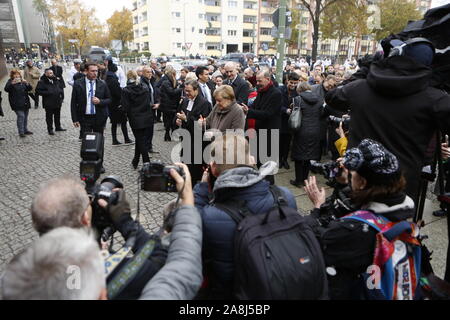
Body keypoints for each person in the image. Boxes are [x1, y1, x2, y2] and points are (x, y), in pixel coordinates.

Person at [2, 163, 203, 300]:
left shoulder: (18, 274)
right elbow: (168, 265)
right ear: (85, 219)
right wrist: (126, 222)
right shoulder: (113, 271)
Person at [325, 41, 450, 203]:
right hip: (399, 188)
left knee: (352, 222)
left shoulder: (359, 88)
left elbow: (332, 97)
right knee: (393, 228)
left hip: (358, 180)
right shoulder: (435, 99)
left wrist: (365, 70)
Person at [304, 139, 415, 300]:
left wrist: (318, 207)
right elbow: (357, 209)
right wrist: (343, 185)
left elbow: (312, 240)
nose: (347, 172)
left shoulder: (353, 230)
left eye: (351, 172)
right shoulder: (398, 207)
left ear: (362, 182)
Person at [194, 134, 298, 299]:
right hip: (283, 286)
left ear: (213, 168)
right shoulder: (285, 197)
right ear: (251, 160)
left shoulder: (211, 216)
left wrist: (201, 188)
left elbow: (190, 235)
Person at [71, 62, 111, 173]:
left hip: (99, 118)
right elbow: (73, 102)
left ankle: (99, 164)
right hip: (85, 118)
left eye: (96, 71)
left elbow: (109, 99)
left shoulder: (102, 84)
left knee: (99, 142)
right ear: (86, 71)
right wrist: (74, 119)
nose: (95, 73)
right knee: (87, 142)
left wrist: (100, 101)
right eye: (92, 71)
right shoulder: (78, 83)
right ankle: (88, 164)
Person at [242, 69, 282, 173]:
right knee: (260, 162)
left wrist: (249, 111)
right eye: (257, 81)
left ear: (268, 79)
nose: (257, 83)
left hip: (269, 134)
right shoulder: (261, 91)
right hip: (259, 132)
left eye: (260, 81)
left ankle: (269, 186)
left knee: (267, 165)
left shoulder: (276, 93)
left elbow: (268, 114)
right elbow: (255, 107)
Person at [175, 80, 212, 186]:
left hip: (198, 143)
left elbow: (204, 124)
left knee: (195, 171)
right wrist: (178, 121)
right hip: (186, 140)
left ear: (196, 90)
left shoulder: (204, 103)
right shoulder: (185, 101)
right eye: (185, 91)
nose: (187, 93)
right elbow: (178, 114)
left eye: (189, 91)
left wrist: (187, 119)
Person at [290, 82, 322, 187]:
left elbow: (294, 115)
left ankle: (298, 181)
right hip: (316, 130)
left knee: (299, 156)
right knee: (309, 156)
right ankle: (305, 180)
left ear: (300, 89)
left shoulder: (297, 99)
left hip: (301, 130)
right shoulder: (319, 99)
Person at [122, 70, 154, 169]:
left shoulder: (126, 90)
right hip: (146, 117)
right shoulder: (144, 88)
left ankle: (146, 162)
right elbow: (148, 101)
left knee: (141, 140)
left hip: (135, 118)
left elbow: (125, 107)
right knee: (140, 139)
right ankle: (135, 161)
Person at [105, 63, 133, 146]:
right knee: (123, 121)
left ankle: (115, 139)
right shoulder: (113, 79)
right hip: (117, 103)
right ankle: (126, 138)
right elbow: (117, 92)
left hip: (111, 103)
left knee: (114, 122)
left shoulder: (108, 77)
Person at [279, 72, 300, 170]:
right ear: (287, 80)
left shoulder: (297, 92)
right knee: (279, 142)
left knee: (287, 142)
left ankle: (284, 159)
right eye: (291, 83)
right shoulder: (280, 90)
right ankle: (279, 160)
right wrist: (285, 110)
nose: (293, 85)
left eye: (295, 83)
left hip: (291, 121)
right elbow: (276, 105)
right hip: (281, 120)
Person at [4, 69, 33, 138]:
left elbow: (29, 89)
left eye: (18, 74)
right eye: (15, 74)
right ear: (12, 75)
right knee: (21, 116)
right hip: (16, 103)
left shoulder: (22, 81)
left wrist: (27, 83)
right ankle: (21, 132)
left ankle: (25, 130)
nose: (17, 76)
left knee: (25, 117)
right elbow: (6, 89)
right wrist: (12, 84)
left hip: (25, 102)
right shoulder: (10, 81)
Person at [35, 69, 65, 135]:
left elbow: (60, 87)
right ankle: (50, 129)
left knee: (57, 115)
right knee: (49, 117)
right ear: (46, 74)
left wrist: (60, 93)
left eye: (52, 73)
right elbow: (38, 91)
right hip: (48, 102)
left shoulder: (55, 80)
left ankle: (58, 127)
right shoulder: (42, 82)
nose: (52, 74)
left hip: (57, 101)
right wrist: (48, 92)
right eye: (50, 73)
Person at [159, 66, 182, 142]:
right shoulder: (166, 82)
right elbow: (171, 92)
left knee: (170, 120)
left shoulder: (168, 81)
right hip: (168, 105)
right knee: (170, 121)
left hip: (169, 105)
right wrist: (180, 89)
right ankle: (168, 135)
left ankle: (168, 135)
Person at [140, 66, 159, 153]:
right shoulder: (141, 83)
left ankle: (149, 147)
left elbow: (155, 94)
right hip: (145, 110)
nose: (150, 74)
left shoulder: (151, 82)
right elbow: (142, 98)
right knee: (146, 130)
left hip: (152, 109)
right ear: (143, 73)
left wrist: (158, 103)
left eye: (151, 72)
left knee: (150, 129)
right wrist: (150, 105)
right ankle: (145, 148)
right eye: (148, 72)